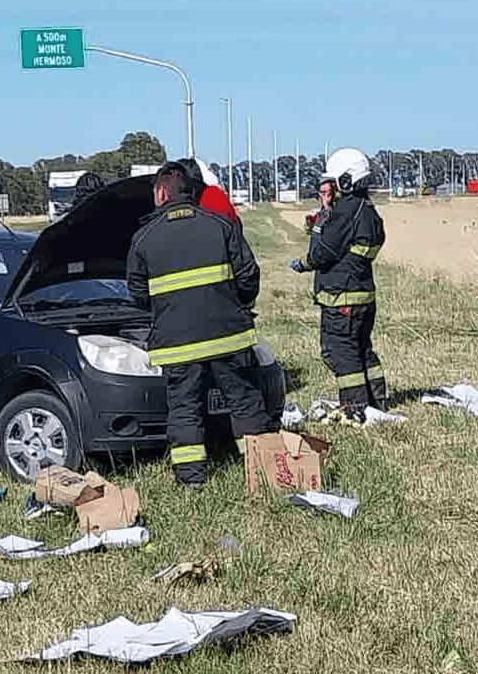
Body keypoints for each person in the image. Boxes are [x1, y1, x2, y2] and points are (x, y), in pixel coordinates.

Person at [126, 160, 276, 488]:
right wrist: (237, 304)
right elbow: (249, 276)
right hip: (229, 336)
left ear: (162, 192)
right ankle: (263, 473)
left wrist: (167, 310)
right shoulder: (220, 226)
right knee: (244, 401)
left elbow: (138, 295)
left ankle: (192, 481)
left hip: (178, 344)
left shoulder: (143, 239)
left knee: (184, 409)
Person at [290, 148, 387, 414]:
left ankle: (356, 409)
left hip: (341, 299)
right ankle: (378, 402)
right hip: (363, 296)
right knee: (361, 349)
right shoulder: (368, 210)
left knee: (340, 353)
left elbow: (325, 252)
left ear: (346, 180)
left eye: (334, 181)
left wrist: (303, 262)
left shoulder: (344, 212)